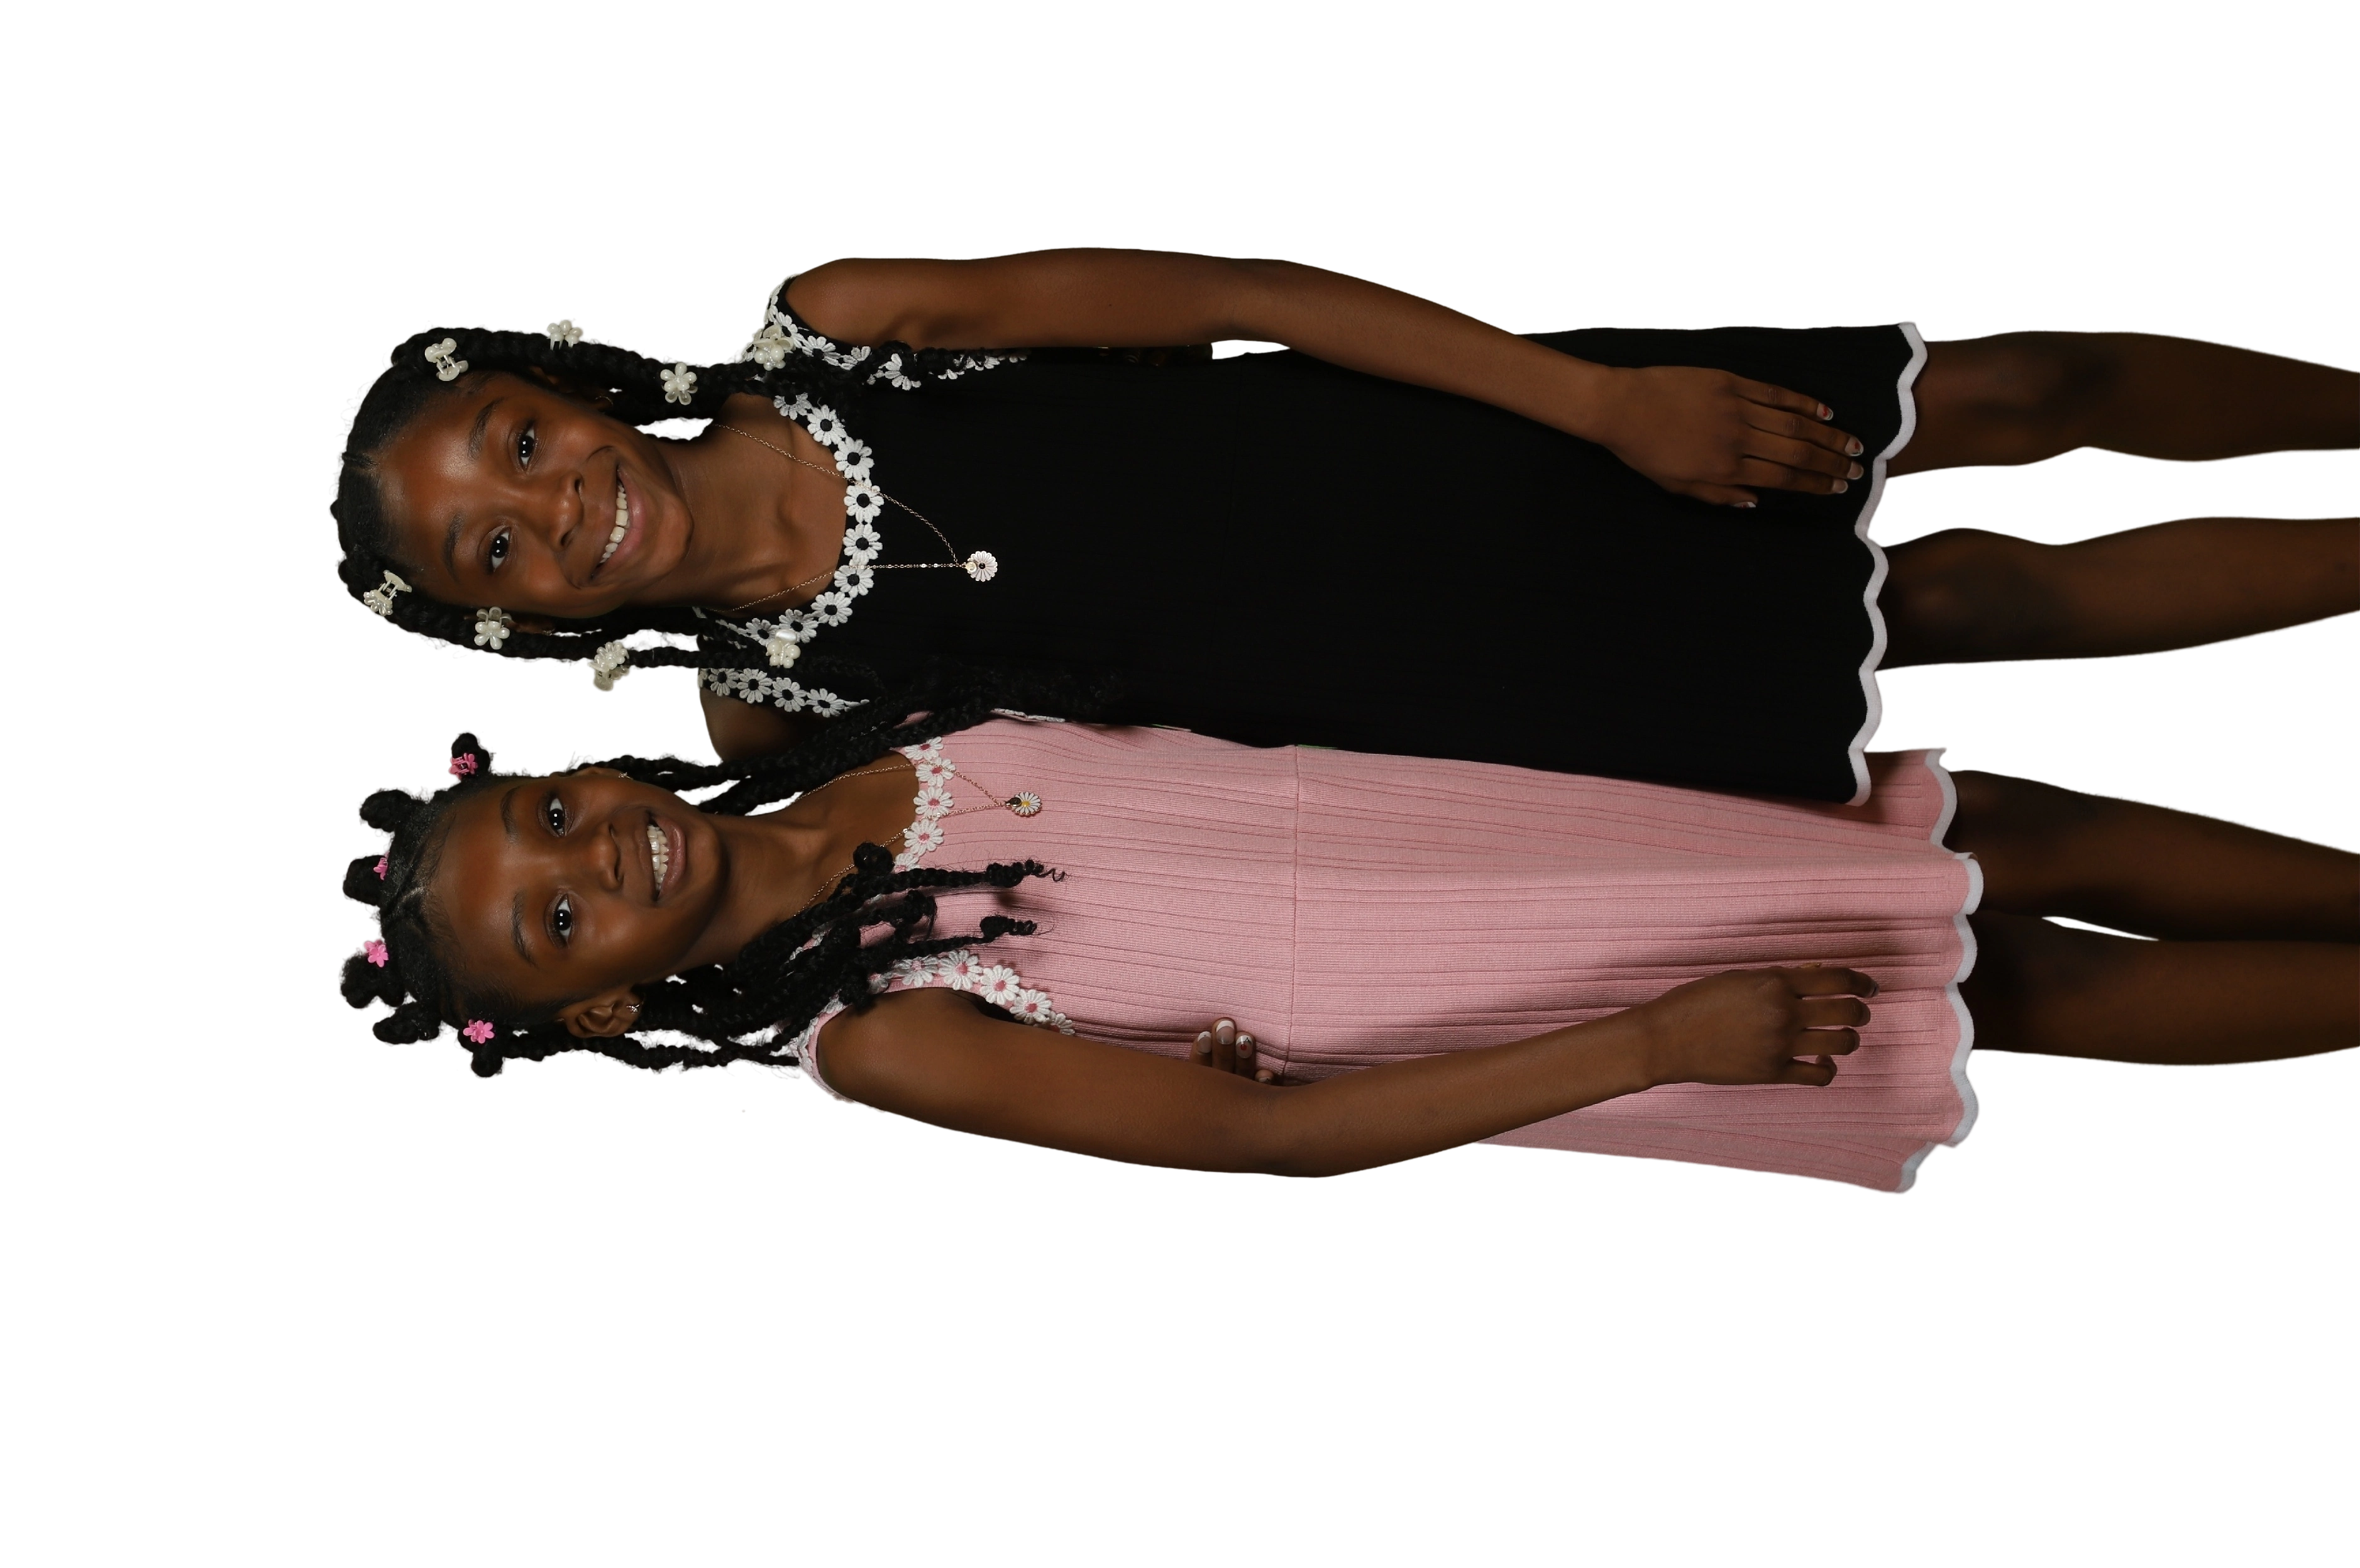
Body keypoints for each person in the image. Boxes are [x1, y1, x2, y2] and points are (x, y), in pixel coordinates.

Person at [327, 250, 2360, 803]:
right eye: (490, 549)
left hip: (1492, 441)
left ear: (559, 381)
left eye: (512, 443)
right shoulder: (773, 716)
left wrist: (1597, 400)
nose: (547, 504)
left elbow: (1244, 300)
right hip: (1465, 682)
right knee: (1978, 606)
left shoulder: (850, 328)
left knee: (2018, 396)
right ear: (514, 626)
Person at [331, 688, 2359, 1195]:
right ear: (606, 999)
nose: (597, 857)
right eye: (558, 921)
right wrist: (1654, 1039)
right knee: (2043, 978)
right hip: (1507, 985)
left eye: (548, 818)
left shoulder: (809, 743)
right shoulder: (876, 1035)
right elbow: (1252, 1138)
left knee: (1996, 835)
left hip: (1488, 812)